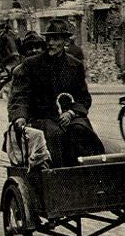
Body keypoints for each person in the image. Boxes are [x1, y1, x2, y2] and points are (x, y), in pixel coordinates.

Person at [8, 19, 105, 168]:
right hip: (42, 118)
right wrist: (20, 116)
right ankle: (58, 180)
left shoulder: (75, 65)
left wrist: (71, 113)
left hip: (69, 117)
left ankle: (89, 175)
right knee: (55, 136)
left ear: (65, 41)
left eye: (56, 39)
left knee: (82, 131)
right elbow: (21, 95)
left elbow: (83, 97)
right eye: (48, 39)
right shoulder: (32, 64)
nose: (51, 43)